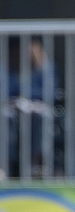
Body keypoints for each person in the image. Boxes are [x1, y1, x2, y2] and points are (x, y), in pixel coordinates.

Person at [2, 36, 62, 178]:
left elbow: (51, 94)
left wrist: (32, 104)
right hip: (11, 109)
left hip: (37, 109)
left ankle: (35, 165)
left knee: (43, 116)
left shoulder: (47, 68)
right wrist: (14, 103)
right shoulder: (3, 69)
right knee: (4, 117)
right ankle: (5, 165)